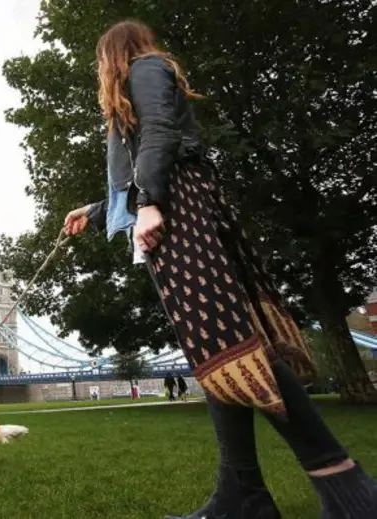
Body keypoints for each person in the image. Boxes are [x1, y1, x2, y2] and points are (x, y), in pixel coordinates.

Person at [63, 19, 377, 519]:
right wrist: (97, 209)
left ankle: (347, 490)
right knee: (215, 348)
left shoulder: (144, 68)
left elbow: (162, 135)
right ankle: (242, 494)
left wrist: (149, 201)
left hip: (177, 208)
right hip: (178, 202)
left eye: (102, 62)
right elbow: (151, 152)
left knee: (230, 342)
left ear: (113, 55)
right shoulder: (145, 81)